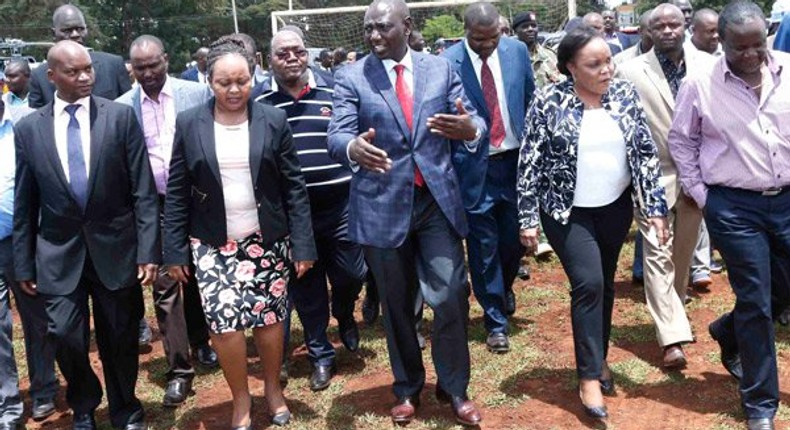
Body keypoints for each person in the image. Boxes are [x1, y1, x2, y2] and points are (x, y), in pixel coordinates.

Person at [327, 0, 486, 425]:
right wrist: (351, 147)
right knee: (396, 305)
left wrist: (470, 130)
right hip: (381, 206)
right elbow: (338, 132)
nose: (374, 36)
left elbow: (473, 121)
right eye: (368, 29)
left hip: (435, 202)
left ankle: (455, 389)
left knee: (450, 294)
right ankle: (407, 388)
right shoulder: (351, 76)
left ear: (407, 26)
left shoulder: (439, 69)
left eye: (383, 27)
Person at [164, 38, 316, 429]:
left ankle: (272, 389)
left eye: (242, 81)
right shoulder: (190, 122)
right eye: (224, 82)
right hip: (213, 244)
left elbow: (293, 188)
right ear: (209, 82)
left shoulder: (273, 120)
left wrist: (302, 243)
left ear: (254, 78)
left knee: (268, 321)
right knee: (225, 326)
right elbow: (178, 189)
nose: (234, 90)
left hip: (266, 240)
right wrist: (175, 250)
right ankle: (241, 399)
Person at [518, 26, 669, 420]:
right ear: (570, 67)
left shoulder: (623, 95)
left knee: (603, 285)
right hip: (566, 212)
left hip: (614, 208)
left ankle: (599, 357)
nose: (607, 70)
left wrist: (654, 208)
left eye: (609, 61)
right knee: (588, 284)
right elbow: (529, 161)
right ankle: (587, 376)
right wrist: (528, 217)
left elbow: (643, 153)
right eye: (594, 64)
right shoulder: (549, 100)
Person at [13, 40, 160, 430]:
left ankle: (126, 409)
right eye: (73, 71)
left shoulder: (120, 118)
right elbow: (25, 200)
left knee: (120, 336)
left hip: (116, 249)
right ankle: (83, 403)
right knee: (64, 336)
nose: (84, 78)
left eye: (88, 69)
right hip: (58, 253)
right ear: (51, 76)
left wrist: (148, 250)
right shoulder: (29, 129)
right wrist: (24, 261)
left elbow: (143, 190)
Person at [668, 2, 790, 429]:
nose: (754, 55)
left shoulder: (789, 70)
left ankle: (728, 330)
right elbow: (681, 141)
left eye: (760, 44)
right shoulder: (700, 83)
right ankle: (760, 404)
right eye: (742, 48)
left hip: (788, 200)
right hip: (735, 207)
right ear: (721, 42)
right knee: (756, 300)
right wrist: (704, 196)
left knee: (783, 292)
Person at [254, 30, 365, 392]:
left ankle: (345, 313)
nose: (291, 58)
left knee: (352, 273)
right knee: (307, 286)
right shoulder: (260, 102)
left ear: (307, 55)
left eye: (298, 51)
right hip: (293, 211)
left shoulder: (336, 89)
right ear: (269, 59)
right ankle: (321, 354)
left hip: (341, 201)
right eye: (282, 53)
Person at [115, 34, 217, 407]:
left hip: (198, 202)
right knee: (164, 285)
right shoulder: (123, 107)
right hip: (153, 207)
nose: (148, 73)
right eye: (139, 67)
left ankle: (203, 340)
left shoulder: (196, 94)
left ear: (166, 60)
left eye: (153, 64)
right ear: (132, 69)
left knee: (197, 277)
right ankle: (179, 370)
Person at [617, 3, 715, 369]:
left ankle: (671, 309)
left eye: (675, 24)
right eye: (660, 26)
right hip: (652, 177)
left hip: (697, 177)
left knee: (682, 255)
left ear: (685, 25)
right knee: (657, 254)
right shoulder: (629, 72)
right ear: (649, 32)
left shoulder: (708, 66)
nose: (669, 30)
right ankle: (672, 337)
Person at [443, 2, 535, 353]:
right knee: (483, 247)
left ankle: (503, 285)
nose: (487, 45)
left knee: (513, 242)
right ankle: (495, 319)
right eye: (478, 39)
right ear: (465, 31)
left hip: (515, 163)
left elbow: (529, 100)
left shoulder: (516, 52)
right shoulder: (447, 62)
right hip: (474, 167)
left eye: (492, 37)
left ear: (501, 28)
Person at [28, 4, 131, 108]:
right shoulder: (39, 77)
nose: (75, 34)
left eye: (80, 29)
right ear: (53, 33)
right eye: (67, 30)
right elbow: (37, 120)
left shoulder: (113, 65)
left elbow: (128, 111)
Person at [0, 99, 24, 430]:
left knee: (39, 322)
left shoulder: (24, 125)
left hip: (21, 243)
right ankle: (9, 405)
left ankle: (46, 387)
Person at [513, 11, 564, 89]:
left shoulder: (550, 55)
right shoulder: (511, 58)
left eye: (533, 26)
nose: (530, 29)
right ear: (516, 31)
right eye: (525, 26)